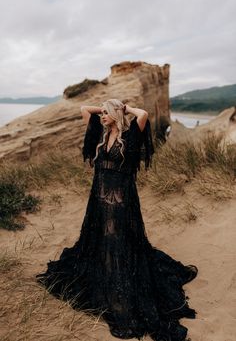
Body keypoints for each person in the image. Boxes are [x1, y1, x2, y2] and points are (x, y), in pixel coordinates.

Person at [36, 99, 198, 341]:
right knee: (100, 237)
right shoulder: (101, 132)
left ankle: (119, 283)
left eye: (105, 113)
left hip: (122, 200)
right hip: (98, 198)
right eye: (100, 113)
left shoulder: (130, 135)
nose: (101, 116)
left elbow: (142, 114)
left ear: (115, 114)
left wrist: (124, 108)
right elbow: (83, 110)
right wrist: (103, 108)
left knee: (118, 240)